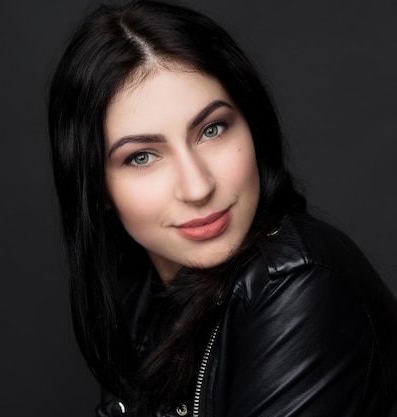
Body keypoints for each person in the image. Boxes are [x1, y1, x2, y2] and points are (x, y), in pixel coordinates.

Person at [46, 1, 397, 416]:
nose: (197, 187)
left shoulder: (298, 284)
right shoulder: (138, 291)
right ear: (97, 186)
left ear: (253, 125)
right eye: (142, 156)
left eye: (211, 130)